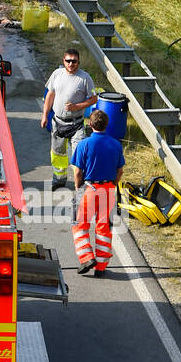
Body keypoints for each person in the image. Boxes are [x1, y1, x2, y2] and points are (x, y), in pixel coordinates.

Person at [71, 109, 125, 276]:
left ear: (90, 124)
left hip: (89, 188)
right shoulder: (116, 144)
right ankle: (101, 267)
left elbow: (78, 171)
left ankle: (87, 257)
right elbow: (120, 170)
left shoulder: (83, 144)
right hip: (108, 189)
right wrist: (113, 184)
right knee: (104, 227)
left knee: (80, 224)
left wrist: (78, 187)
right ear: (107, 125)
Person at [41, 49, 97, 189]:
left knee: (79, 156)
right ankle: (59, 180)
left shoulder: (85, 78)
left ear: (79, 62)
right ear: (63, 61)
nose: (71, 64)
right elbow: (50, 95)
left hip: (76, 124)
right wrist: (44, 115)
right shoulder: (57, 74)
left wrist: (76, 107)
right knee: (57, 153)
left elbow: (93, 99)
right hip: (58, 122)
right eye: (68, 61)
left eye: (74, 61)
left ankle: (80, 186)